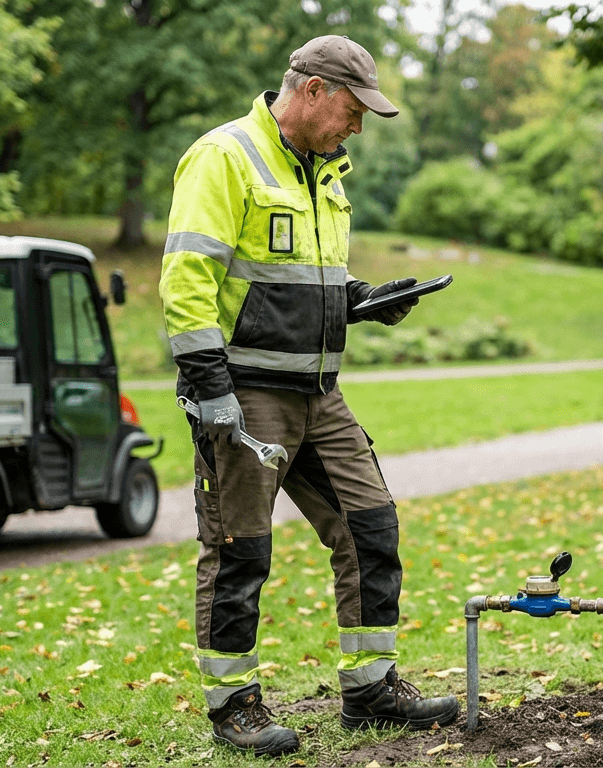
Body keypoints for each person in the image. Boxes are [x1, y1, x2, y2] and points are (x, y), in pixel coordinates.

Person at [158, 34, 459, 757]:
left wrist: (362, 300)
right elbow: (186, 284)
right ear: (314, 91)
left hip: (319, 394)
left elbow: (298, 282)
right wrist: (211, 390)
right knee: (240, 550)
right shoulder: (225, 156)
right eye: (353, 110)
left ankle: (371, 688)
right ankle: (234, 705)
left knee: (371, 528)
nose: (357, 127)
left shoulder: (326, 172)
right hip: (246, 397)